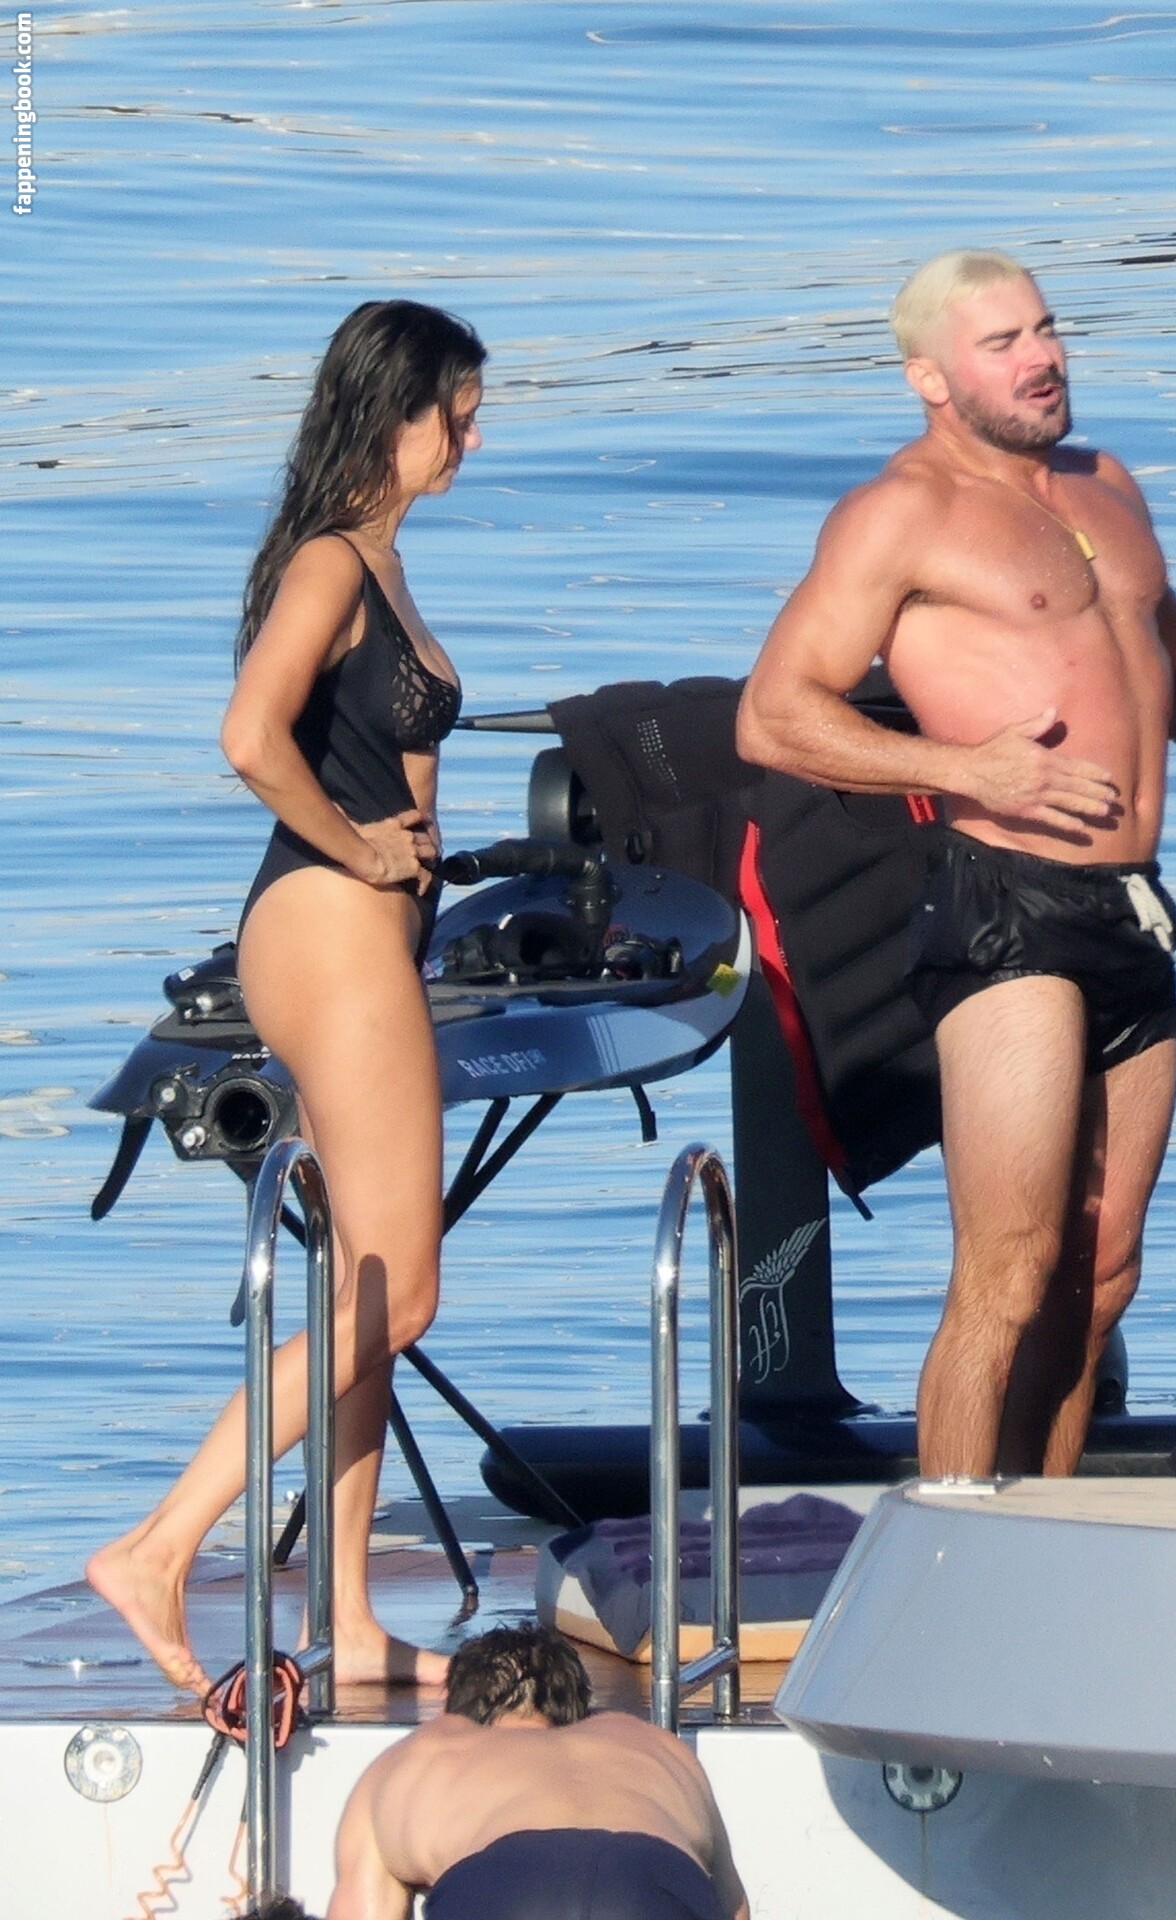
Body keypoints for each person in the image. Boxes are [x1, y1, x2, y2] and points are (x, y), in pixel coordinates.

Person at [736, 249, 1176, 1480]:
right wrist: (968, 769)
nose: (1041, 358)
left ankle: (1041, 1529)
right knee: (1008, 1269)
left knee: (1099, 1276)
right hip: (1003, 908)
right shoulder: (899, 514)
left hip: (1130, 907)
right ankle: (949, 1539)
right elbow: (773, 714)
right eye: (1001, 344)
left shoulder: (1106, 484)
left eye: (1044, 330)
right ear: (929, 378)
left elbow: (1169, 665)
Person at [88, 299, 487, 1692]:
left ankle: (353, 1617)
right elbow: (250, 736)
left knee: (365, 1282)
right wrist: (363, 850)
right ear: (394, 415)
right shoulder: (329, 561)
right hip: (327, 923)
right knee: (407, 1292)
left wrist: (411, 876)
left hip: (358, 932)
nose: (472, 439)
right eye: (458, 415)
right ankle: (159, 1548)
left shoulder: (380, 557)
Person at [326, 1623, 749, 1920]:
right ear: (580, 1710)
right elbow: (734, 1909)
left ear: (455, 1710)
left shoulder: (423, 1750)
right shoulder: (656, 1745)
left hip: (507, 1888)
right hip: (654, 1880)